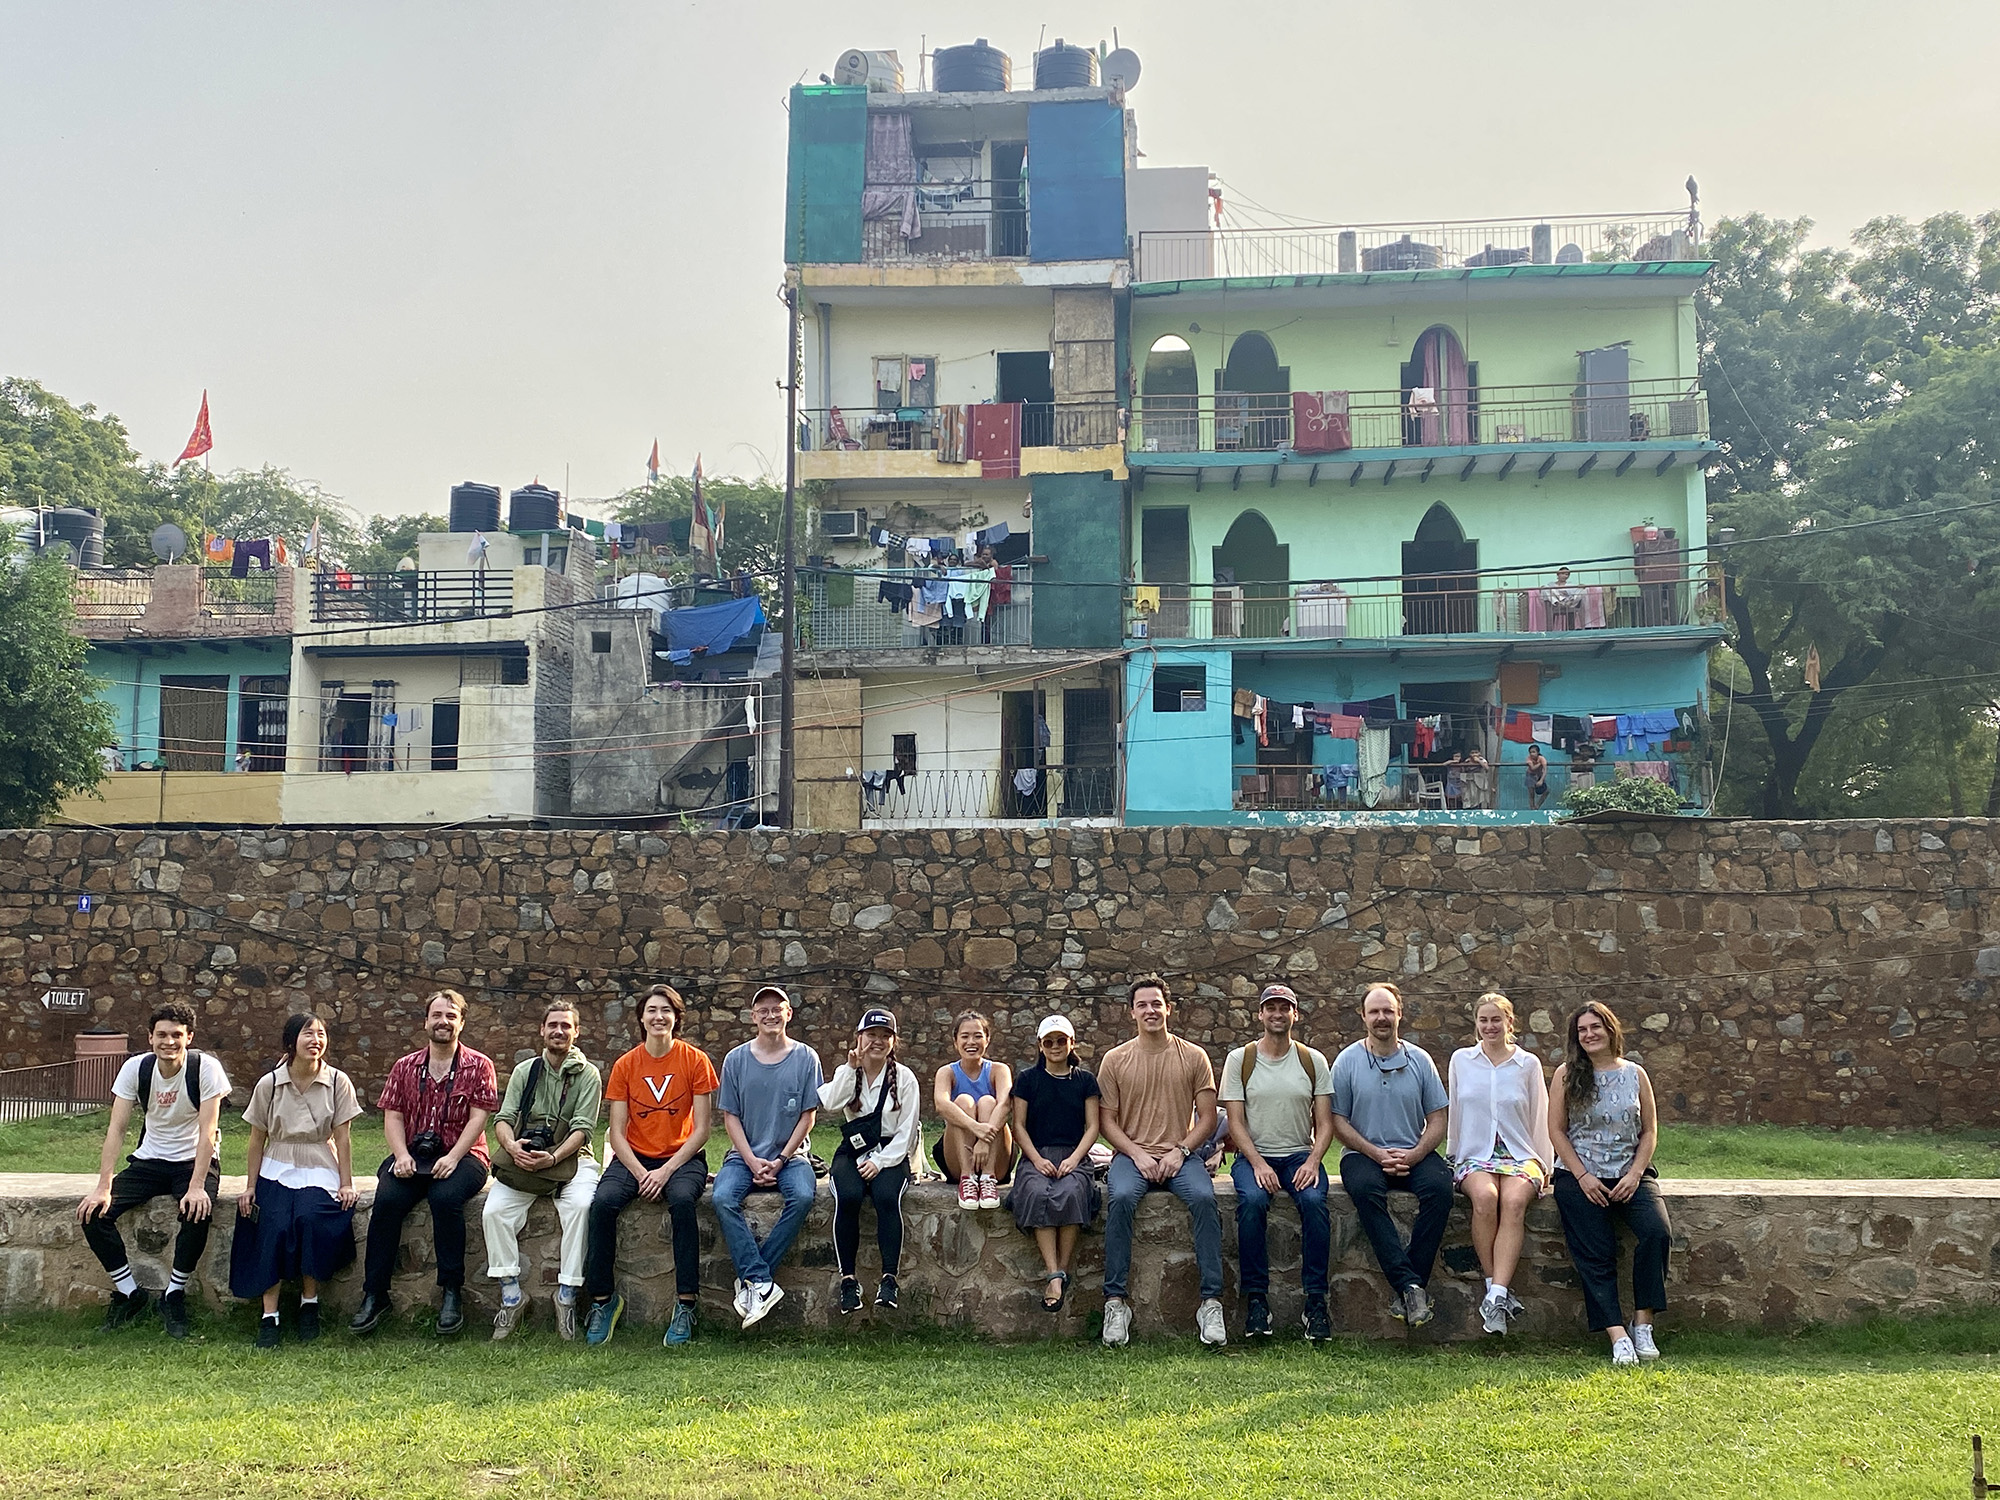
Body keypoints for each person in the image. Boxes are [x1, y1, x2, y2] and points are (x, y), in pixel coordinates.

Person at [77, 1000, 231, 1339]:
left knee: (197, 1210)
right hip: (150, 1159)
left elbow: (208, 1131)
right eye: (161, 1035)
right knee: (93, 1214)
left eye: (177, 1035)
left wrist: (196, 1186)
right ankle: (130, 1293)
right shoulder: (136, 1068)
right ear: (150, 1037)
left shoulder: (205, 1069)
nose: (169, 1042)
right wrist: (104, 1185)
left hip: (194, 1159)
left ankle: (173, 1294)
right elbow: (116, 1129)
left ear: (189, 1037)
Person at [349, 989, 498, 1337]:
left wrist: (453, 1156)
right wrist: (401, 1155)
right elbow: (393, 1115)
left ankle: (451, 1291)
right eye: (437, 1015)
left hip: (465, 1156)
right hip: (412, 1154)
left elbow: (479, 1119)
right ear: (426, 1021)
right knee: (386, 1200)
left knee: (445, 1199)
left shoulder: (479, 1065)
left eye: (450, 1016)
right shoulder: (405, 1066)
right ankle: (375, 1293)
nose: (443, 1022)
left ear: (461, 1022)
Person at [582, 983, 719, 1347]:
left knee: (683, 1203)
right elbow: (615, 1132)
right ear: (641, 1018)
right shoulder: (626, 1065)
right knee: (602, 1204)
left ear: (677, 1018)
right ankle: (603, 1301)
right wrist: (643, 1173)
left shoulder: (695, 1061)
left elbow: (703, 1130)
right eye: (652, 1011)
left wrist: (666, 1170)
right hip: (634, 1158)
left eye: (666, 1011)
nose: (659, 1017)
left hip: (682, 1158)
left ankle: (686, 1304)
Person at [1097, 973, 1226, 1348]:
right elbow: (1107, 1120)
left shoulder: (1193, 1056)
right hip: (1132, 1156)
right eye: (1142, 1005)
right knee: (1119, 1200)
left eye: (1156, 1004)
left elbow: (1207, 1117)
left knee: (1204, 1200)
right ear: (1131, 1013)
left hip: (1180, 1156)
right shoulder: (1116, 1059)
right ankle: (1115, 1303)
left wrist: (1181, 1151)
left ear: (1169, 1008)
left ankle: (1211, 1302)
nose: (1150, 1010)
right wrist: (1136, 1153)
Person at [1549, 1002, 1672, 1367]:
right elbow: (1556, 1130)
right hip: (1579, 1176)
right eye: (1582, 1030)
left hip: (1630, 1174)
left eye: (1595, 1027)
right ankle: (1616, 1335)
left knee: (1656, 1232)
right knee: (1595, 1251)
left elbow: (1649, 1131)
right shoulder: (1566, 1075)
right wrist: (1583, 1176)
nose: (1589, 1035)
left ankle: (1643, 1324)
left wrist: (1635, 1174)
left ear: (1610, 1030)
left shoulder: (1636, 1074)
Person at [231, 1012, 361, 1349]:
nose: (315, 1040)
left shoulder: (337, 1082)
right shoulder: (270, 1084)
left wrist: (346, 1183)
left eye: (320, 1034)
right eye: (307, 1033)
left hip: (319, 1163)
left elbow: (343, 1138)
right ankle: (269, 1314)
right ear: (291, 1041)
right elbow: (256, 1139)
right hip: (277, 1164)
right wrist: (250, 1186)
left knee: (310, 1219)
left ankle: (309, 1303)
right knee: (271, 1223)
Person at [1331, 982, 1452, 1330]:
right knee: (1367, 1191)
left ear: (1399, 1014)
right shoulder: (1348, 1061)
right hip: (1363, 1154)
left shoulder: (1420, 1060)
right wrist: (1373, 1152)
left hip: (1413, 1151)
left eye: (1387, 1011)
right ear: (1363, 1016)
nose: (1381, 1017)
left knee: (1441, 1191)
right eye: (1374, 1011)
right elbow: (1338, 1120)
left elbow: (1438, 1117)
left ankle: (1409, 1286)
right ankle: (1412, 1287)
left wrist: (1415, 1155)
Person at [1219, 983, 1335, 1341]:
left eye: (1285, 1008)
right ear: (1260, 1014)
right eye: (1271, 1008)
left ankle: (1315, 1302)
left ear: (1295, 1015)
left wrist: (1315, 1161)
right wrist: (1257, 1164)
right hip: (1255, 1156)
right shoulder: (1241, 1059)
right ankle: (1257, 1301)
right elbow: (1235, 1123)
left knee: (1315, 1203)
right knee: (1252, 1202)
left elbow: (1326, 1122)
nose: (1277, 1014)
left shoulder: (1312, 1060)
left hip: (1300, 1154)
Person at [482, 1000, 603, 1341]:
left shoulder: (588, 1074)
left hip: (573, 1159)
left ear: (576, 1032)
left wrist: (552, 1158)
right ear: (542, 1030)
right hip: (525, 1159)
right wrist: (512, 1148)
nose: (559, 1031)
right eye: (553, 1025)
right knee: (494, 1212)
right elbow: (504, 1119)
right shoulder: (526, 1071)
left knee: (580, 1208)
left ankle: (565, 1296)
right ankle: (511, 1295)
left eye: (566, 1026)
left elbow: (583, 1129)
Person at [712, 984, 822, 1330]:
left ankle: (755, 1280)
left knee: (804, 1196)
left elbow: (808, 1115)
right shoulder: (736, 1059)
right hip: (742, 1157)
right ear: (752, 1017)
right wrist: (751, 1159)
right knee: (722, 1197)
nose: (771, 1015)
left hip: (792, 1157)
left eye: (778, 1009)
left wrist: (781, 1159)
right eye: (763, 1010)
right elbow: (730, 1115)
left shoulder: (806, 1058)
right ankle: (762, 1281)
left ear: (789, 1014)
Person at [1445, 992, 1553, 1336]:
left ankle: (1496, 1296)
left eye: (1496, 1020)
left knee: (1514, 1201)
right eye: (1483, 1020)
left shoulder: (1528, 1064)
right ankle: (1497, 1290)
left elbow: (1540, 1114)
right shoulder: (1462, 1060)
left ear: (1510, 1023)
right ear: (1476, 1024)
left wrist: (1545, 1162)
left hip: (1520, 1153)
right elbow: (1455, 1111)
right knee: (1486, 1199)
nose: (1490, 1026)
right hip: (1475, 1152)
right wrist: (1454, 1155)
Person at [820, 1007, 922, 1315]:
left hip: (891, 1152)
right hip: (853, 1149)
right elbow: (829, 1102)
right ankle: (848, 1280)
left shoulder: (904, 1078)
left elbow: (907, 1131)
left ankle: (889, 1279)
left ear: (894, 1041)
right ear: (859, 1038)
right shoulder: (848, 1071)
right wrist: (851, 1069)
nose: (877, 1041)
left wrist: (880, 1162)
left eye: (884, 1036)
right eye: (871, 1035)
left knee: (886, 1196)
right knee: (848, 1196)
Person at [1007, 1014, 1103, 1313]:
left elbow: (1092, 1126)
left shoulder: (1085, 1081)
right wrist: (1036, 1159)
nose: (1055, 1046)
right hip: (1037, 1156)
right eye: (1049, 1041)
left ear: (1071, 1043)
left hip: (1074, 1154)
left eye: (1061, 1040)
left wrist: (1075, 1159)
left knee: (1072, 1192)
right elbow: (1018, 1125)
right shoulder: (1027, 1079)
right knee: (1037, 1192)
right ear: (1040, 1045)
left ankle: (1059, 1272)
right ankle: (1054, 1273)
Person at [933, 1011, 1013, 1210]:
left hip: (996, 1156)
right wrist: (976, 1128)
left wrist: (984, 1140)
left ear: (987, 1039)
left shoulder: (998, 1070)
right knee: (963, 1101)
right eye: (965, 1036)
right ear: (955, 1041)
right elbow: (941, 1104)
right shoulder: (947, 1072)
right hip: (959, 1157)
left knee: (988, 1102)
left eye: (978, 1036)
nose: (971, 1042)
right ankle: (967, 1178)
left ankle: (988, 1178)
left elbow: (1005, 1105)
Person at [1525, 744, 1550, 810]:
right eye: (1530, 752)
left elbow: (1545, 770)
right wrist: (1539, 764)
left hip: (1539, 775)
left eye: (1533, 752)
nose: (1532, 754)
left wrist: (1541, 780)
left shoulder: (1542, 758)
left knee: (1547, 791)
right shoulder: (1528, 758)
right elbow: (1532, 768)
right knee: (1531, 793)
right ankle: (1532, 808)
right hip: (1530, 775)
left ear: (1537, 752)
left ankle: (1537, 806)